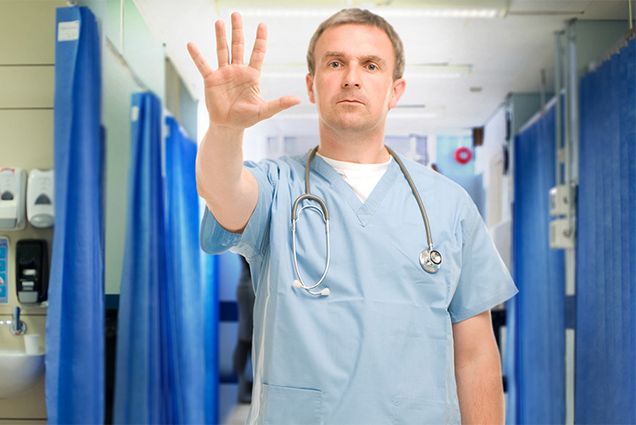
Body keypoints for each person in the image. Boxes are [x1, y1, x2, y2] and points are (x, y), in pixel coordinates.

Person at [188, 8, 517, 424]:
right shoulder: (275, 186)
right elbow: (221, 191)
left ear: (395, 90)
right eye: (335, 62)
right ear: (311, 84)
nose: (351, 77)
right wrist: (224, 128)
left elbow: (475, 356)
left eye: (371, 65)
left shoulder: (448, 205)